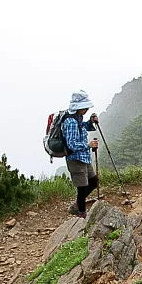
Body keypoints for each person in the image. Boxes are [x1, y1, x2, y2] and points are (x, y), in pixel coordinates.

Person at [62, 90, 100, 219]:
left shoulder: (77, 118)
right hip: (75, 159)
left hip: (84, 157)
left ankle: (76, 206)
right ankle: (82, 215)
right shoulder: (70, 122)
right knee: (82, 188)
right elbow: (71, 144)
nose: (87, 109)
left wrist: (90, 122)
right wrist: (88, 145)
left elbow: (82, 127)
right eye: (85, 107)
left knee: (94, 182)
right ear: (79, 107)